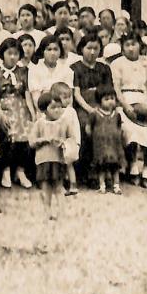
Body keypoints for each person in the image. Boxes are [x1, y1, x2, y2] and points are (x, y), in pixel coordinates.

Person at [111, 34, 147, 187]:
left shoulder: (146, 63)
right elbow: (116, 88)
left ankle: (146, 170)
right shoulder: (117, 63)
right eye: (127, 45)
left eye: (134, 44)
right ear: (123, 48)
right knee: (129, 130)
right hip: (124, 100)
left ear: (140, 45)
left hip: (143, 100)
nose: (131, 48)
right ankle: (133, 167)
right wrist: (126, 106)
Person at [0, 37, 35, 189]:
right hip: (4, 108)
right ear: (2, 53)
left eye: (16, 54)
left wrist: (32, 114)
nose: (12, 57)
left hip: (21, 108)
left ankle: (20, 171)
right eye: (9, 53)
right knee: (7, 136)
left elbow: (27, 94)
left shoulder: (24, 71)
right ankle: (6, 169)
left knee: (26, 135)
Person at [71, 33, 113, 182]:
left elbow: (108, 92)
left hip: (102, 104)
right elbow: (76, 94)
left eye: (96, 48)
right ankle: (85, 169)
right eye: (89, 48)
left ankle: (105, 168)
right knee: (85, 126)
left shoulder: (104, 68)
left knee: (109, 125)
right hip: (82, 106)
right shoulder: (75, 68)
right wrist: (89, 109)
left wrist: (103, 109)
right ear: (82, 48)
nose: (92, 52)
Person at [29, 92, 72, 220]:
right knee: (46, 187)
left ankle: (62, 213)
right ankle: (47, 212)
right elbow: (31, 141)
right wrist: (44, 140)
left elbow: (71, 139)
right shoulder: (40, 123)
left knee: (59, 186)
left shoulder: (64, 123)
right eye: (53, 107)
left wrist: (64, 143)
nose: (57, 110)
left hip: (58, 160)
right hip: (43, 160)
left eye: (59, 107)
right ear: (44, 110)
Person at [88, 85, 125, 195]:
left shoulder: (117, 115)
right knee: (101, 166)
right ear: (99, 101)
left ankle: (116, 185)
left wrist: (118, 136)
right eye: (106, 99)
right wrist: (93, 137)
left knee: (115, 166)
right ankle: (102, 185)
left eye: (112, 98)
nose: (110, 102)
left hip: (114, 144)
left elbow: (119, 127)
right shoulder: (95, 114)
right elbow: (89, 127)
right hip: (100, 145)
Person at [50, 82, 81, 195]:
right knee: (59, 166)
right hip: (58, 142)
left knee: (68, 164)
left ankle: (73, 185)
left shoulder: (71, 111)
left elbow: (75, 127)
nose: (68, 100)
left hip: (69, 142)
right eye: (65, 97)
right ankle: (61, 186)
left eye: (69, 97)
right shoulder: (55, 111)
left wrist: (76, 142)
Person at [28, 35, 74, 112]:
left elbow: (69, 99)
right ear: (43, 51)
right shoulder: (34, 70)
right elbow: (36, 99)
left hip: (63, 112)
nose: (52, 53)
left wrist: (65, 114)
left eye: (56, 49)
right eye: (49, 49)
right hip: (44, 112)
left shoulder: (67, 70)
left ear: (60, 51)